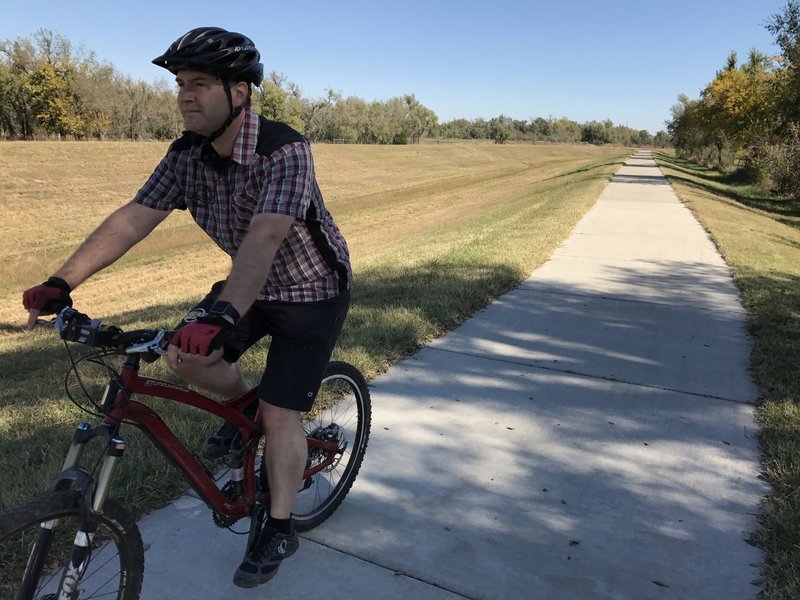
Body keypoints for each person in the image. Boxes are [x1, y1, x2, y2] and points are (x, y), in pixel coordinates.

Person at [22, 27, 352, 588]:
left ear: (240, 91)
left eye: (199, 84)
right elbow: (134, 217)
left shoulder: (285, 149)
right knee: (183, 357)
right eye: (180, 84)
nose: (184, 95)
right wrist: (61, 281)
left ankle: (278, 523)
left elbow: (266, 237)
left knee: (279, 412)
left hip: (309, 292)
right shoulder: (186, 155)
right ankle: (248, 414)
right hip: (247, 286)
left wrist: (220, 315)